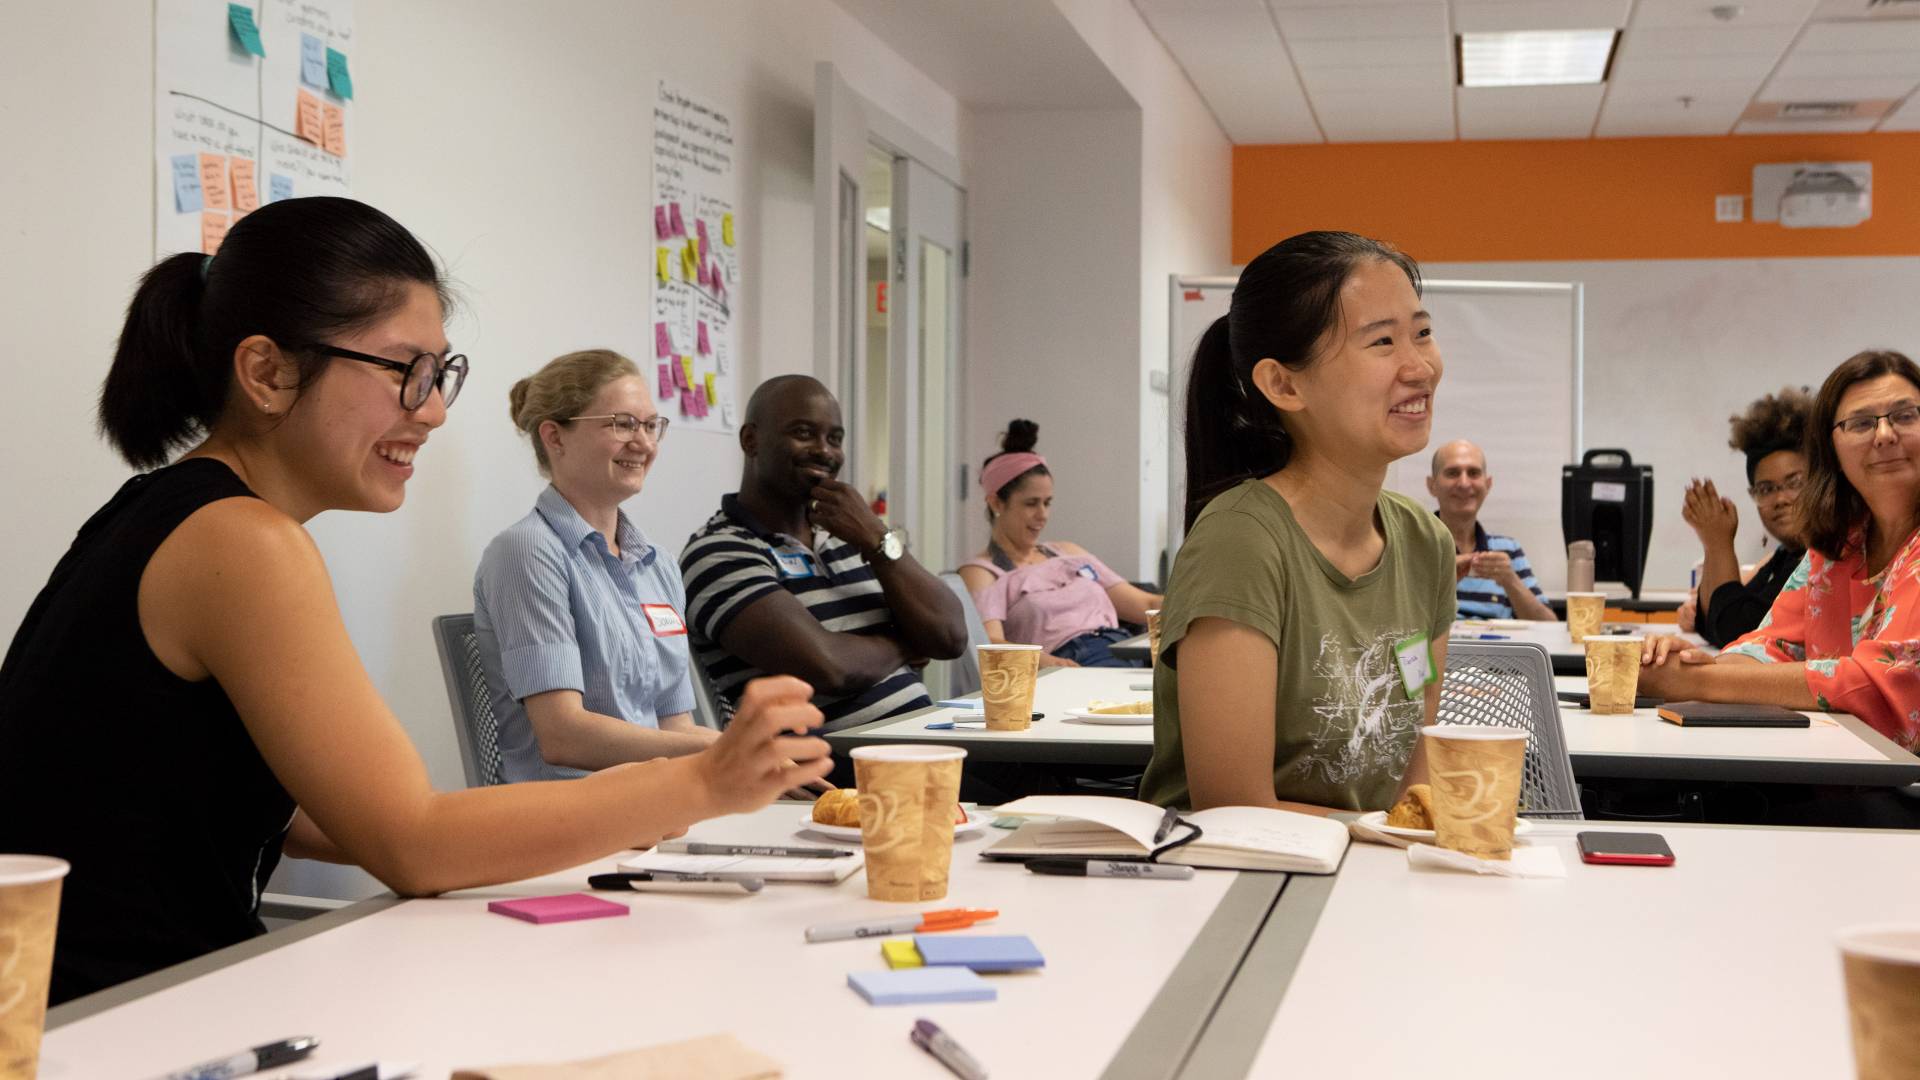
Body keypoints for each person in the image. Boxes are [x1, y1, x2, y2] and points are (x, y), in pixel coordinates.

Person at [0, 198, 830, 1005]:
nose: (432, 411)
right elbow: (410, 841)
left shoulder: (172, 511)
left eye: (440, 375)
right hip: (103, 1021)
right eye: (407, 372)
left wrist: (601, 813)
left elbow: (326, 817)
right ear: (267, 372)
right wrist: (702, 783)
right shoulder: (241, 541)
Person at [1138, 230, 1454, 814]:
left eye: (1423, 333)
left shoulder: (1425, 542)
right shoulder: (1241, 541)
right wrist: (1391, 837)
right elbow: (1235, 806)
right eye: (1382, 341)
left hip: (1369, 878)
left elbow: (1416, 780)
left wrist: (1435, 837)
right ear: (1284, 384)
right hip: (1237, 885)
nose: (1419, 367)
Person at [1640, 350, 1920, 753]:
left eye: (1904, 415)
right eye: (1861, 423)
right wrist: (1684, 665)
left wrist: (1697, 681)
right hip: (1839, 768)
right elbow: (1772, 645)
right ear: (1833, 451)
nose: (1884, 434)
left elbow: (1883, 684)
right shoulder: (1839, 544)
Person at [473, 349, 716, 783]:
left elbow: (673, 726)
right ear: (555, 436)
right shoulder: (527, 551)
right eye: (623, 424)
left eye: (650, 425)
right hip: (569, 820)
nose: (643, 443)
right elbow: (564, 737)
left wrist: (740, 758)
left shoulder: (657, 564)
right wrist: (720, 747)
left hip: (654, 806)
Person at [680, 375, 967, 738]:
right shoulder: (719, 552)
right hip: (837, 771)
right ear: (750, 440)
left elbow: (951, 637)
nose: (824, 451)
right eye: (803, 433)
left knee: (1053, 771)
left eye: (835, 438)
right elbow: (831, 668)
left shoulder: (850, 537)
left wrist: (878, 540)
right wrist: (906, 643)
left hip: (926, 745)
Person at [956, 419, 1163, 668]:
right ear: (996, 503)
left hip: (1124, 651)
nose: (1043, 514)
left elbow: (1147, 604)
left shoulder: (1067, 553)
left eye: (1048, 503)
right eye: (1031, 504)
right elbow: (992, 643)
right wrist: (1050, 663)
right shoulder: (983, 572)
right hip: (1072, 662)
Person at [1674, 388, 1812, 648]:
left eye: (1794, 482)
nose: (1780, 498)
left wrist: (1718, 542)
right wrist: (1711, 541)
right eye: (1766, 489)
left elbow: (1738, 631)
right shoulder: (1786, 556)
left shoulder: (1820, 559)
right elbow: (1718, 619)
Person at [1426, 439, 1555, 621]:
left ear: (1488, 485)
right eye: (1453, 473)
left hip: (1498, 649)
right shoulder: (1411, 545)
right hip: (1437, 649)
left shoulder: (1508, 550)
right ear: (1432, 485)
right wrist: (1442, 582)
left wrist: (1510, 581)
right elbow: (1392, 626)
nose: (1464, 483)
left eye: (1473, 473)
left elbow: (1548, 626)